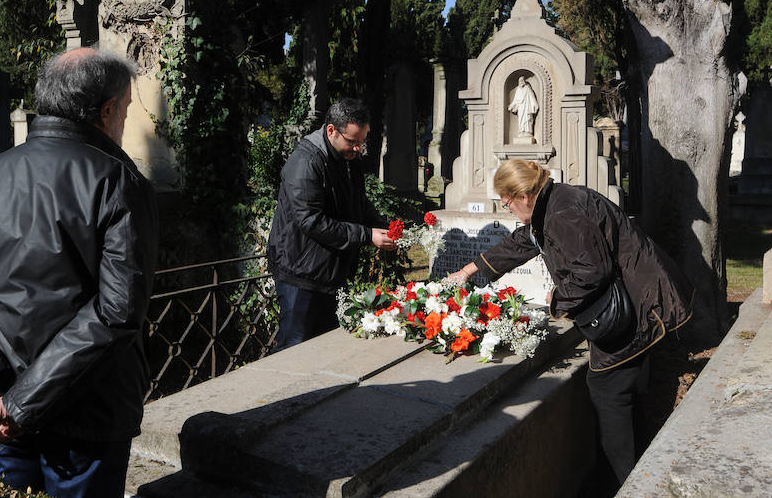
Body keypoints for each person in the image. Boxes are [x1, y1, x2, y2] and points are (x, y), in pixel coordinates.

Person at [0, 47, 158, 498]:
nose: (124, 121)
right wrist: (10, 402)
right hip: (85, 420)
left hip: (3, 416)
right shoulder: (117, 181)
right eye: (125, 109)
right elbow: (119, 311)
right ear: (106, 111)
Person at [447, 158, 692, 489]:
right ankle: (638, 464)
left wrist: (557, 299)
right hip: (641, 299)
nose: (505, 209)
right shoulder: (554, 201)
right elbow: (522, 242)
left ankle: (625, 483)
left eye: (505, 202)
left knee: (608, 390)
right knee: (622, 386)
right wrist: (468, 271)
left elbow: (591, 271)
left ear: (522, 194)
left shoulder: (563, 214)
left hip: (639, 306)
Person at [267, 99, 395, 351]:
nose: (358, 148)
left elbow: (358, 203)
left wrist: (383, 226)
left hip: (328, 271)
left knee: (323, 351)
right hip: (300, 272)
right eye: (352, 141)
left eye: (362, 141)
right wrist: (367, 235)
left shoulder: (347, 158)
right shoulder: (305, 162)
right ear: (331, 131)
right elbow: (311, 220)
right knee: (294, 351)